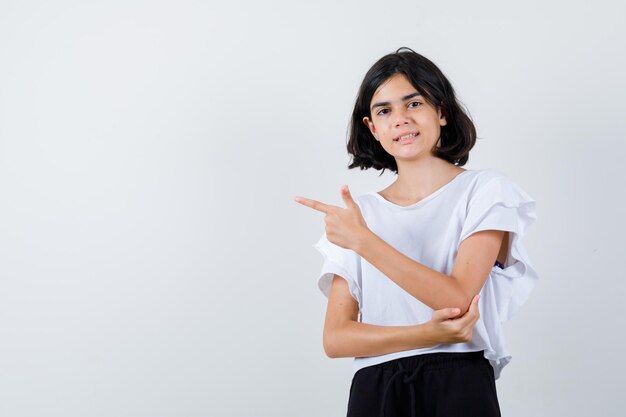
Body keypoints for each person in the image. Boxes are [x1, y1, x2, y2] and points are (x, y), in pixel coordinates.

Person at [294, 47, 538, 417]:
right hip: (375, 387)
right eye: (384, 110)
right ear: (372, 128)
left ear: (441, 111)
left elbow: (456, 297)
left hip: (458, 380)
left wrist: (365, 242)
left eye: (414, 103)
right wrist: (428, 334)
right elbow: (336, 338)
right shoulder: (360, 215)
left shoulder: (485, 191)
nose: (401, 119)